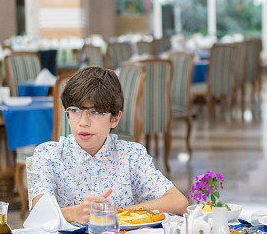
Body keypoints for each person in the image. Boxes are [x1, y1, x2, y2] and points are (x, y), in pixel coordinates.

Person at [30, 67, 188, 223]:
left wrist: (114, 214)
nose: (83, 122)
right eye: (75, 111)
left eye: (95, 112)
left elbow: (178, 202)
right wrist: (74, 213)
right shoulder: (48, 155)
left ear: (115, 118)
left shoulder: (131, 155)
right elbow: (39, 214)